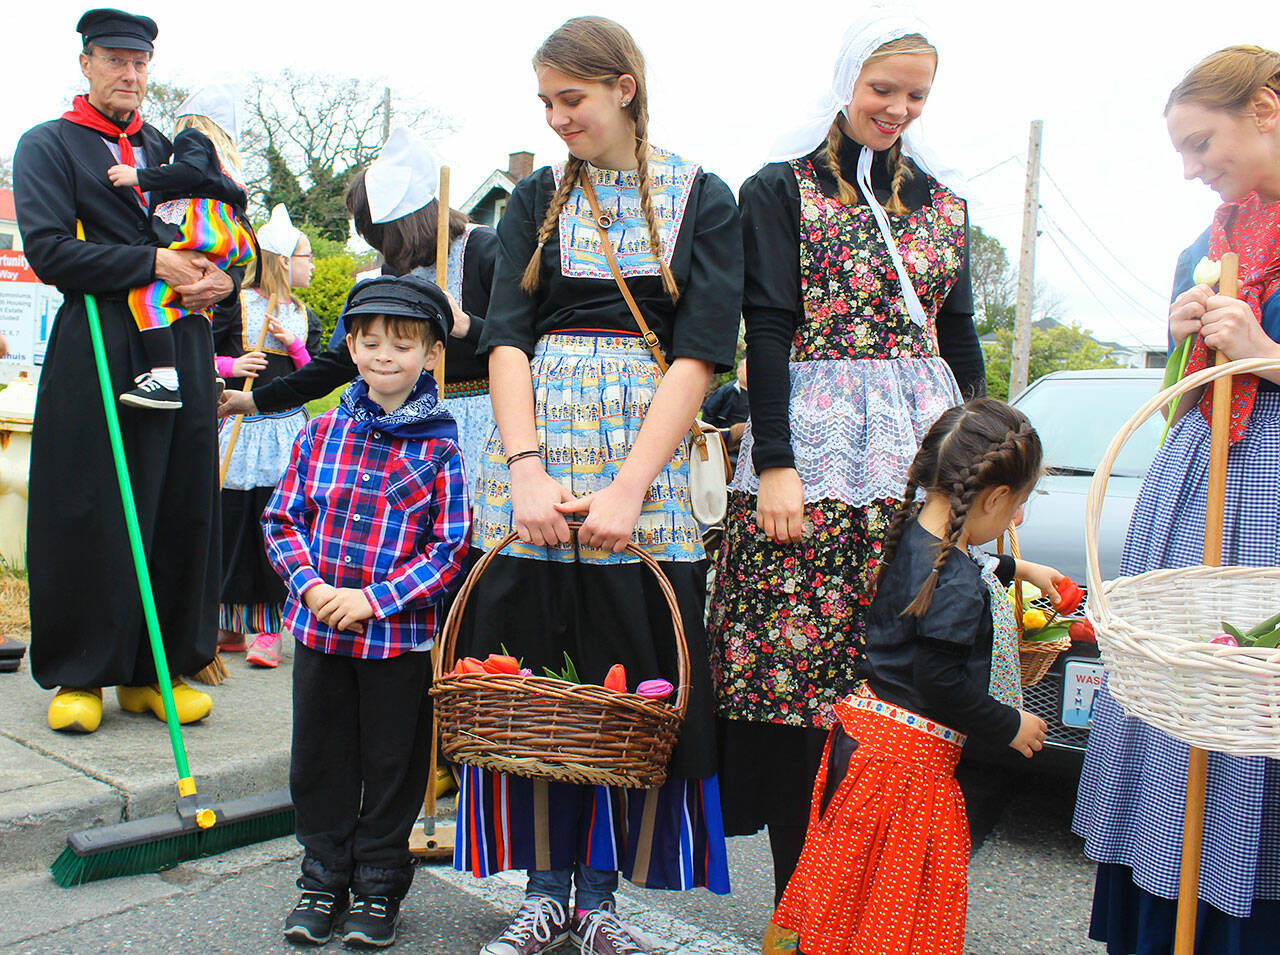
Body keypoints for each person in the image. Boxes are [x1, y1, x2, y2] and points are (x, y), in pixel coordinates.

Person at [455, 17, 742, 955]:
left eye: (569, 99)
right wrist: (524, 467)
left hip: (643, 462)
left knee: (633, 676)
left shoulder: (705, 195)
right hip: (537, 453)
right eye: (543, 102)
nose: (555, 118)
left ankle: (603, 900)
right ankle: (543, 891)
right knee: (534, 671)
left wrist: (628, 487)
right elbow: (505, 337)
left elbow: (701, 350)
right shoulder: (533, 197)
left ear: (624, 86)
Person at [705, 7, 984, 906]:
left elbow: (962, 334)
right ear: (844, 83)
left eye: (916, 94)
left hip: (920, 471)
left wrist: (985, 458)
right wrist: (778, 460)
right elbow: (770, 327)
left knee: (899, 693)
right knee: (804, 698)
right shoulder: (780, 187)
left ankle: (877, 905)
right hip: (819, 467)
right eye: (882, 88)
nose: (898, 107)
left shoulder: (945, 201)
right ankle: (798, 907)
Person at [1073, 45, 1280, 954]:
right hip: (1197, 478)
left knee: (1252, 697)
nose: (1194, 171)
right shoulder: (1206, 246)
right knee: (1176, 694)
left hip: (1267, 499)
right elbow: (1182, 388)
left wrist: (1266, 355)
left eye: (1202, 145)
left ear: (1267, 105)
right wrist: (1187, 342)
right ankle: (1166, 918)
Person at [14, 8, 234, 734]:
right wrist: (152, 262)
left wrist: (217, 276)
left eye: (139, 63)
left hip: (182, 339)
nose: (129, 75)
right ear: (85, 63)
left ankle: (155, 669)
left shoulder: (171, 149)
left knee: (178, 501)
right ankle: (82, 671)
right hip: (101, 343)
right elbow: (50, 252)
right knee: (92, 504)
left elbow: (210, 227)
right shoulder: (50, 145)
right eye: (114, 60)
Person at [773, 398, 1052, 955]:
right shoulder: (955, 585)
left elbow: (958, 561)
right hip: (905, 775)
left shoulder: (908, 535)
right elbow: (940, 681)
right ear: (995, 497)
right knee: (893, 914)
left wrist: (1019, 567)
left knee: (846, 898)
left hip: (865, 748)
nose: (1016, 519)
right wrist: (1009, 724)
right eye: (1018, 504)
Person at [261, 275, 470, 948]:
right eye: (370, 341)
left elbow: (450, 545)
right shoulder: (322, 432)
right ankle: (322, 879)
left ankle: (378, 887)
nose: (385, 356)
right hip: (319, 633)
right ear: (350, 347)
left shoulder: (441, 445)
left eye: (403, 345)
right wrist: (314, 589)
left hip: (398, 643)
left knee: (392, 762)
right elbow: (282, 519)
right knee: (320, 758)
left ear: (431, 353)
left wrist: (375, 599)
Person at [220, 128, 498, 495]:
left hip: (484, 424)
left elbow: (524, 341)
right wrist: (255, 399)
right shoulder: (393, 271)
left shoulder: (481, 249)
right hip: (408, 425)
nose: (381, 248)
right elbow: (343, 360)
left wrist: (466, 325)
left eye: (382, 235)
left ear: (405, 224)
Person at [213, 203, 320, 667]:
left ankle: (272, 629)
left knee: (277, 526)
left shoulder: (303, 316)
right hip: (240, 427)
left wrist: (294, 346)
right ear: (282, 260)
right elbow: (197, 354)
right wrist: (231, 366)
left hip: (283, 432)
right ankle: (230, 622)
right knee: (232, 521)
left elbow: (316, 374)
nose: (312, 264)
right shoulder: (234, 307)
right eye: (305, 256)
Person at [108, 83, 256, 410]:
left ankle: (164, 376)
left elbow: (187, 172)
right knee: (198, 299)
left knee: (147, 298)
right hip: (227, 232)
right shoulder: (226, 161)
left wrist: (140, 177)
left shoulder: (191, 138)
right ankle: (203, 367)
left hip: (201, 225)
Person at [700, 357, 749, 470]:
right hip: (728, 436)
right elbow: (708, 410)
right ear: (739, 372)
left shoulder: (757, 393)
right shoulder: (727, 391)